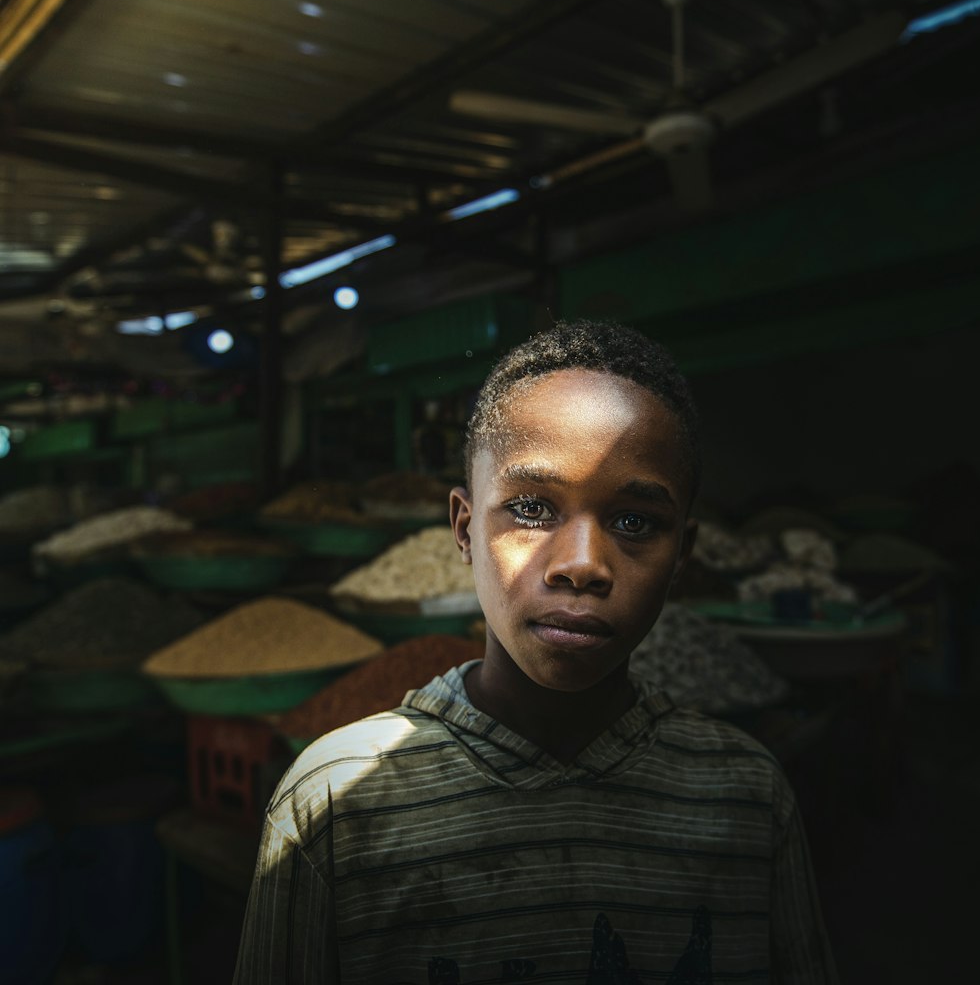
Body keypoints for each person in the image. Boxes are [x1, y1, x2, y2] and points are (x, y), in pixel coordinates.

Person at [233, 321, 839, 984]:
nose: (581, 565)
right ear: (464, 530)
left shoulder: (746, 797)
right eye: (531, 510)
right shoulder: (334, 804)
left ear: (681, 559)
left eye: (635, 522)